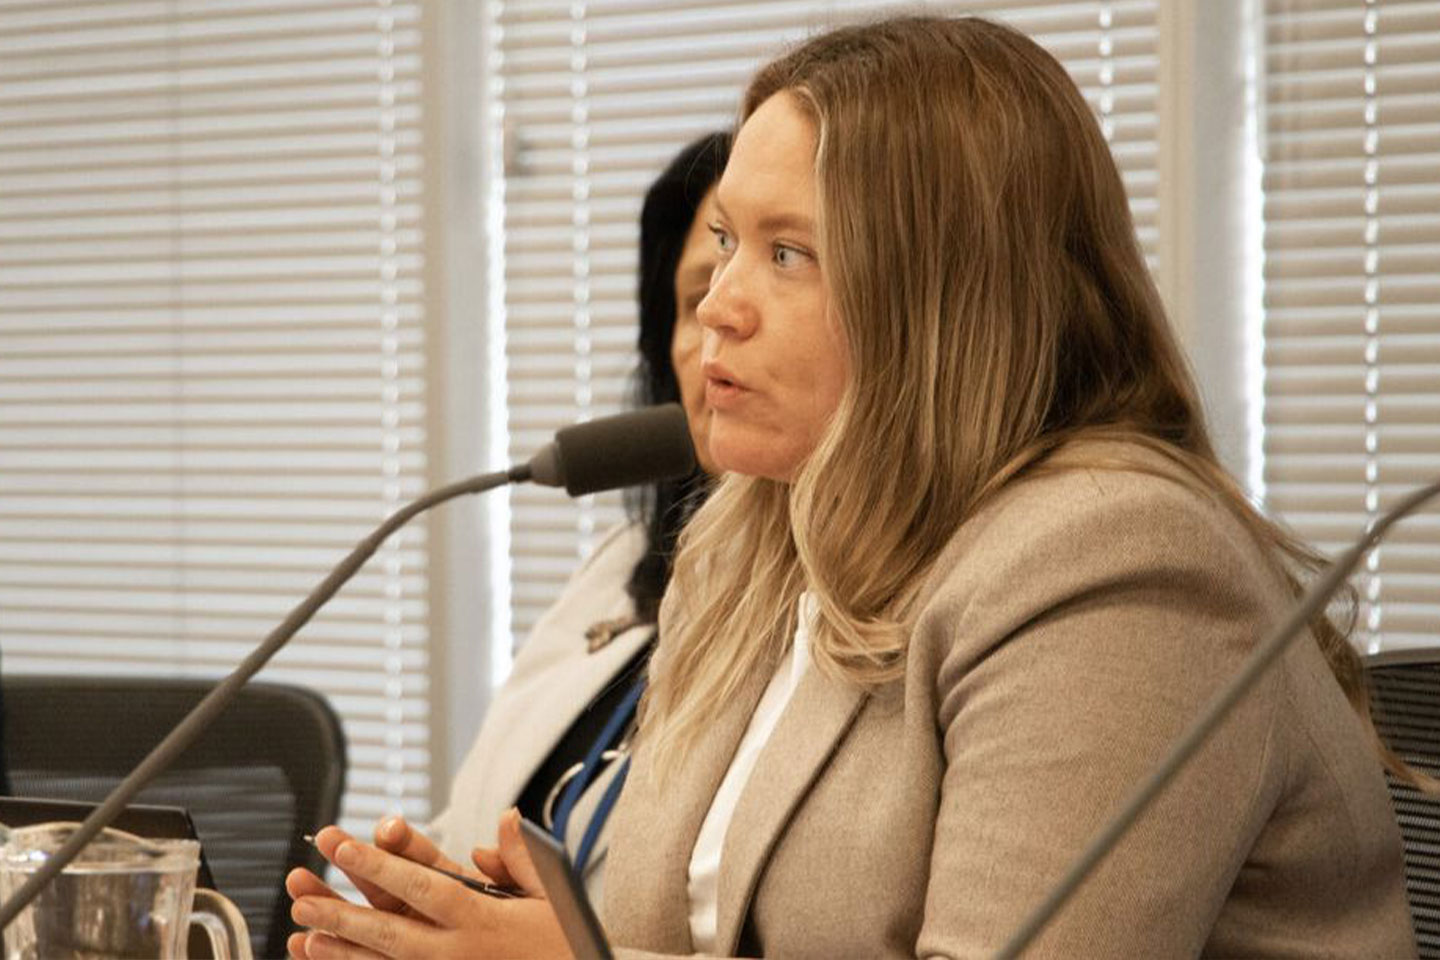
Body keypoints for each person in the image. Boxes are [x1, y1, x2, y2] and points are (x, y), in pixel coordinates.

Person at [286, 16, 1415, 958]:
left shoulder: (1116, 566)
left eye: (789, 254)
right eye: (726, 241)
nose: (720, 303)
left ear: (945, 302)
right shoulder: (753, 543)